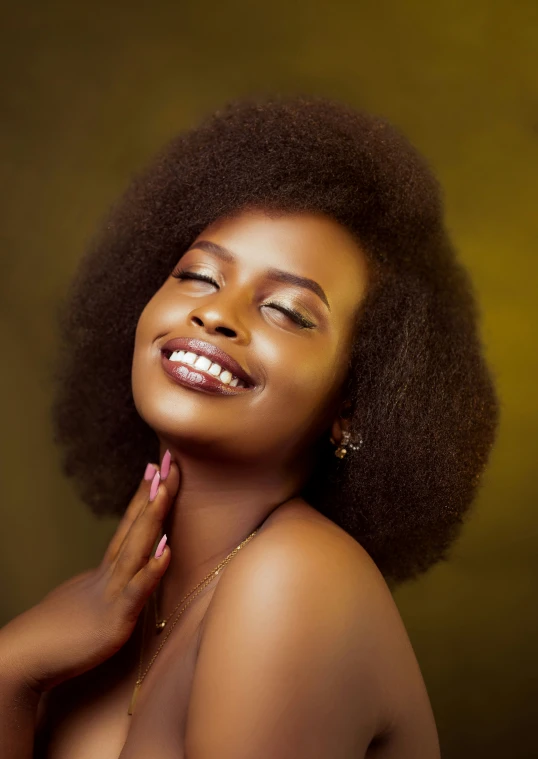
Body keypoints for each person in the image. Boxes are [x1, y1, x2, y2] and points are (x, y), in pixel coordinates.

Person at [0, 95, 499, 759]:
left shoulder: (298, 583)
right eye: (198, 275)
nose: (217, 314)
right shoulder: (90, 613)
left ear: (355, 398)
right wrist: (13, 666)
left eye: (288, 312)